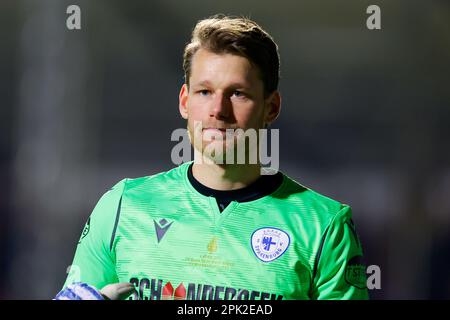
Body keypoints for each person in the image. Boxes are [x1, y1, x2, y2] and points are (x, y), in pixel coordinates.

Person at [57, 15, 369, 300]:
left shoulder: (324, 225)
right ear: (184, 101)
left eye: (238, 93)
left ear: (270, 107)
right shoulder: (123, 206)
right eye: (204, 91)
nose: (218, 110)